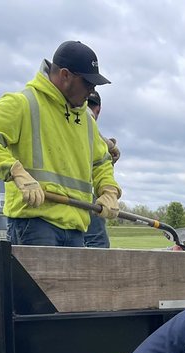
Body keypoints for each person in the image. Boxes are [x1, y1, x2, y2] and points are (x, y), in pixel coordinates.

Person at [0, 41, 119, 247]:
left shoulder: (86, 120)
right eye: (87, 83)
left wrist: (109, 191)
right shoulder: (25, 103)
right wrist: (16, 171)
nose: (91, 90)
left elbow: (101, 162)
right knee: (34, 282)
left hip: (76, 227)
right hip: (35, 223)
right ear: (65, 75)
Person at [83, 90, 121, 249]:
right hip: (82, 196)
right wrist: (110, 146)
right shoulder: (83, 120)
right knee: (98, 243)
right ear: (98, 109)